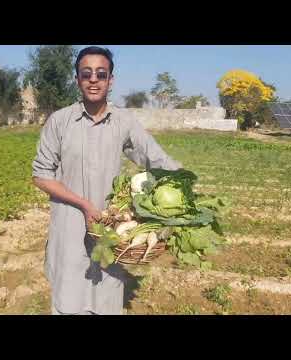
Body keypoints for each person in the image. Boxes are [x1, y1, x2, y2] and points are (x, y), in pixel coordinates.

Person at [32, 46, 181, 315]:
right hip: (69, 226)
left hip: (110, 227)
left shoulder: (124, 122)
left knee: (106, 296)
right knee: (69, 297)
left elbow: (153, 157)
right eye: (86, 73)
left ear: (110, 80)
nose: (93, 79)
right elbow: (41, 175)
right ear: (77, 78)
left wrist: (182, 182)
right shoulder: (60, 121)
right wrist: (83, 204)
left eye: (101, 74)